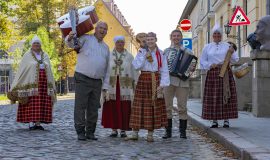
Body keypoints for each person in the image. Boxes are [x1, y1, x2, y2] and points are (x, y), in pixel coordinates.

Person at [65, 21, 110, 140]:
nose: (102, 30)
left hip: (97, 81)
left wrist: (105, 85)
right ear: (95, 29)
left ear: (106, 32)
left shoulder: (106, 48)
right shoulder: (85, 39)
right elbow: (72, 45)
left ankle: (90, 132)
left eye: (105, 29)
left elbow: (107, 69)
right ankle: (80, 131)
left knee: (93, 108)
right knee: (80, 106)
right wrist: (69, 37)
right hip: (82, 78)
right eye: (100, 28)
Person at [127, 32, 170, 142]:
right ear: (145, 41)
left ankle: (150, 134)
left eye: (152, 39)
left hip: (155, 80)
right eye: (147, 39)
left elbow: (164, 70)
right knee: (139, 106)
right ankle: (135, 133)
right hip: (143, 79)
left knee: (153, 106)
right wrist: (144, 56)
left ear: (155, 40)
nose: (149, 41)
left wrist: (162, 85)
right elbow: (136, 66)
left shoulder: (161, 53)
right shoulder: (141, 51)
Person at [7, 35, 56, 130]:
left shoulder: (45, 55)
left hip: (44, 83)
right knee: (31, 103)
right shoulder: (27, 55)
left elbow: (48, 67)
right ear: (32, 45)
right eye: (35, 43)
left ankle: (38, 123)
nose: (36, 45)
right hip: (30, 84)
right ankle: (30, 123)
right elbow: (24, 69)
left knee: (41, 103)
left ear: (40, 45)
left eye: (38, 43)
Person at [200, 24, 239, 128]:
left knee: (226, 95)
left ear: (221, 35)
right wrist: (209, 65)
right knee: (214, 97)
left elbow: (236, 59)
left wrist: (232, 51)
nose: (217, 36)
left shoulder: (227, 46)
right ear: (212, 35)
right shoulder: (207, 47)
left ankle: (226, 120)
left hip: (225, 73)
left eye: (219, 34)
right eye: (215, 34)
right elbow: (202, 61)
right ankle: (214, 120)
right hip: (212, 73)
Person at [101, 35, 137, 138]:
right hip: (112, 85)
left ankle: (123, 130)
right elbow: (105, 70)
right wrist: (104, 85)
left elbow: (133, 70)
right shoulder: (109, 55)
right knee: (112, 107)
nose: (120, 44)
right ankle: (113, 130)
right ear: (115, 43)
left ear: (124, 43)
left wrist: (135, 83)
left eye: (122, 42)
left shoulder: (130, 56)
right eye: (118, 42)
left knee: (124, 107)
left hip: (125, 86)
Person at [163, 29, 194, 139]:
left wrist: (189, 71)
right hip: (169, 81)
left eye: (178, 36)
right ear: (170, 37)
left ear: (181, 38)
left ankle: (183, 132)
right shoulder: (165, 51)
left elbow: (192, 67)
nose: (176, 38)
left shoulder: (188, 51)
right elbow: (162, 67)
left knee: (182, 106)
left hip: (182, 81)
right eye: (174, 36)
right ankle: (168, 132)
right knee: (167, 106)